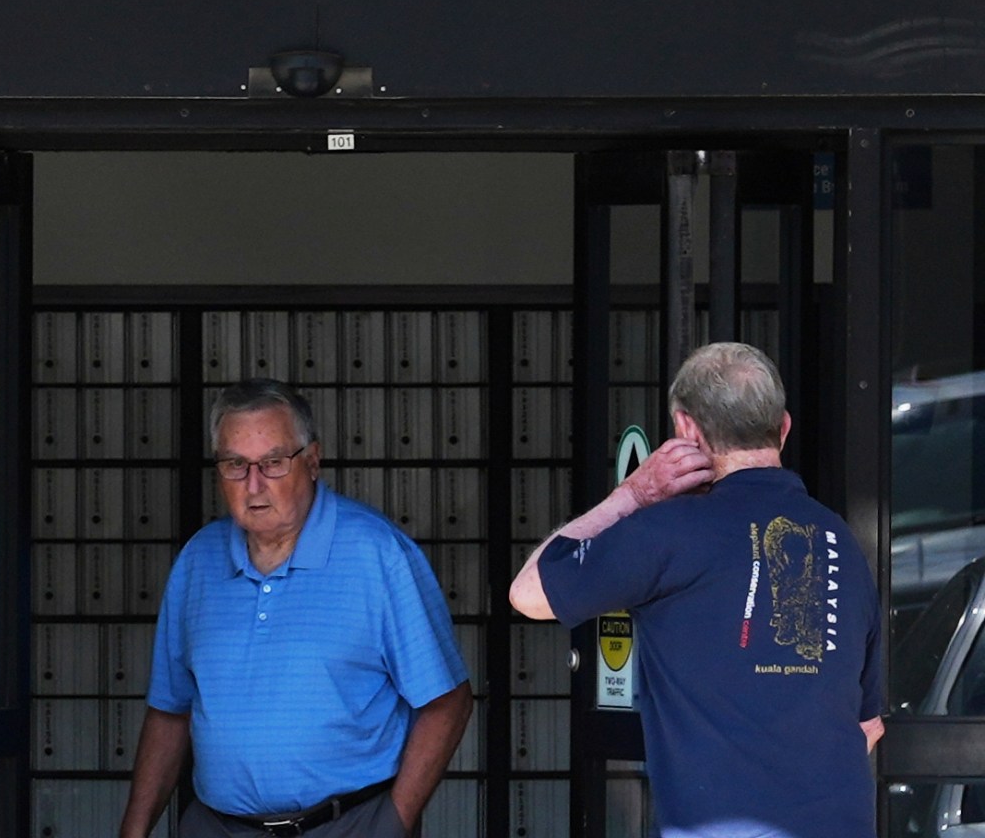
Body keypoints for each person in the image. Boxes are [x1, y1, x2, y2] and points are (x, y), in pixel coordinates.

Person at [508, 343, 882, 838]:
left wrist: (634, 494)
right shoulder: (841, 541)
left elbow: (529, 593)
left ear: (686, 430)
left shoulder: (668, 531)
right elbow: (867, 726)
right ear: (784, 427)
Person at [120, 380, 472, 838]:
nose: (253, 484)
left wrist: (391, 823)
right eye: (235, 465)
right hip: (218, 826)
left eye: (272, 463)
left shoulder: (377, 555)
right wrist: (133, 830)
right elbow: (170, 711)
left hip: (346, 824)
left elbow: (448, 702)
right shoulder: (198, 562)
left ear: (311, 461)